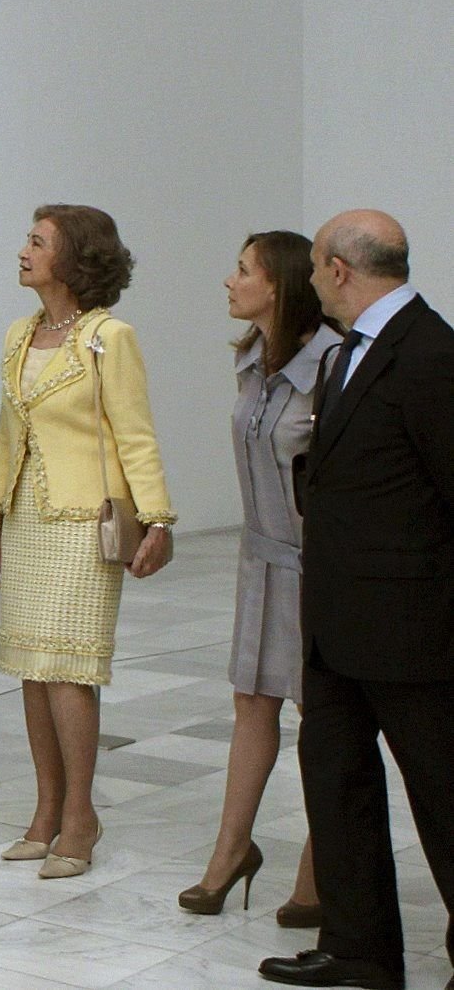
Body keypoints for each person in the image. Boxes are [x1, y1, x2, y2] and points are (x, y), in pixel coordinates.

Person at [261, 211, 454, 990]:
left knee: (443, 796)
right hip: (336, 622)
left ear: (339, 269)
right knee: (337, 783)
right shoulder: (348, 352)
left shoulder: (430, 354)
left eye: (314, 266)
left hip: (412, 629)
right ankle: (359, 950)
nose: (310, 280)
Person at [0, 204, 173, 880]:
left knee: (69, 668)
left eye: (37, 242)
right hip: (28, 521)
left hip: (85, 525)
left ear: (72, 259)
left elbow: (136, 434)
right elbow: (7, 435)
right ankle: (46, 810)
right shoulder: (19, 333)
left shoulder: (109, 338)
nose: (23, 251)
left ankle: (81, 815)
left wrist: (158, 519)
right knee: (32, 668)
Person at [179, 232, 330, 921]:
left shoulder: (330, 363)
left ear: (278, 285)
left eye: (242, 270)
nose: (229, 280)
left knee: (323, 717)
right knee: (251, 702)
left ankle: (320, 871)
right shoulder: (250, 360)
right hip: (260, 560)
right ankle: (229, 853)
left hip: (319, 569)